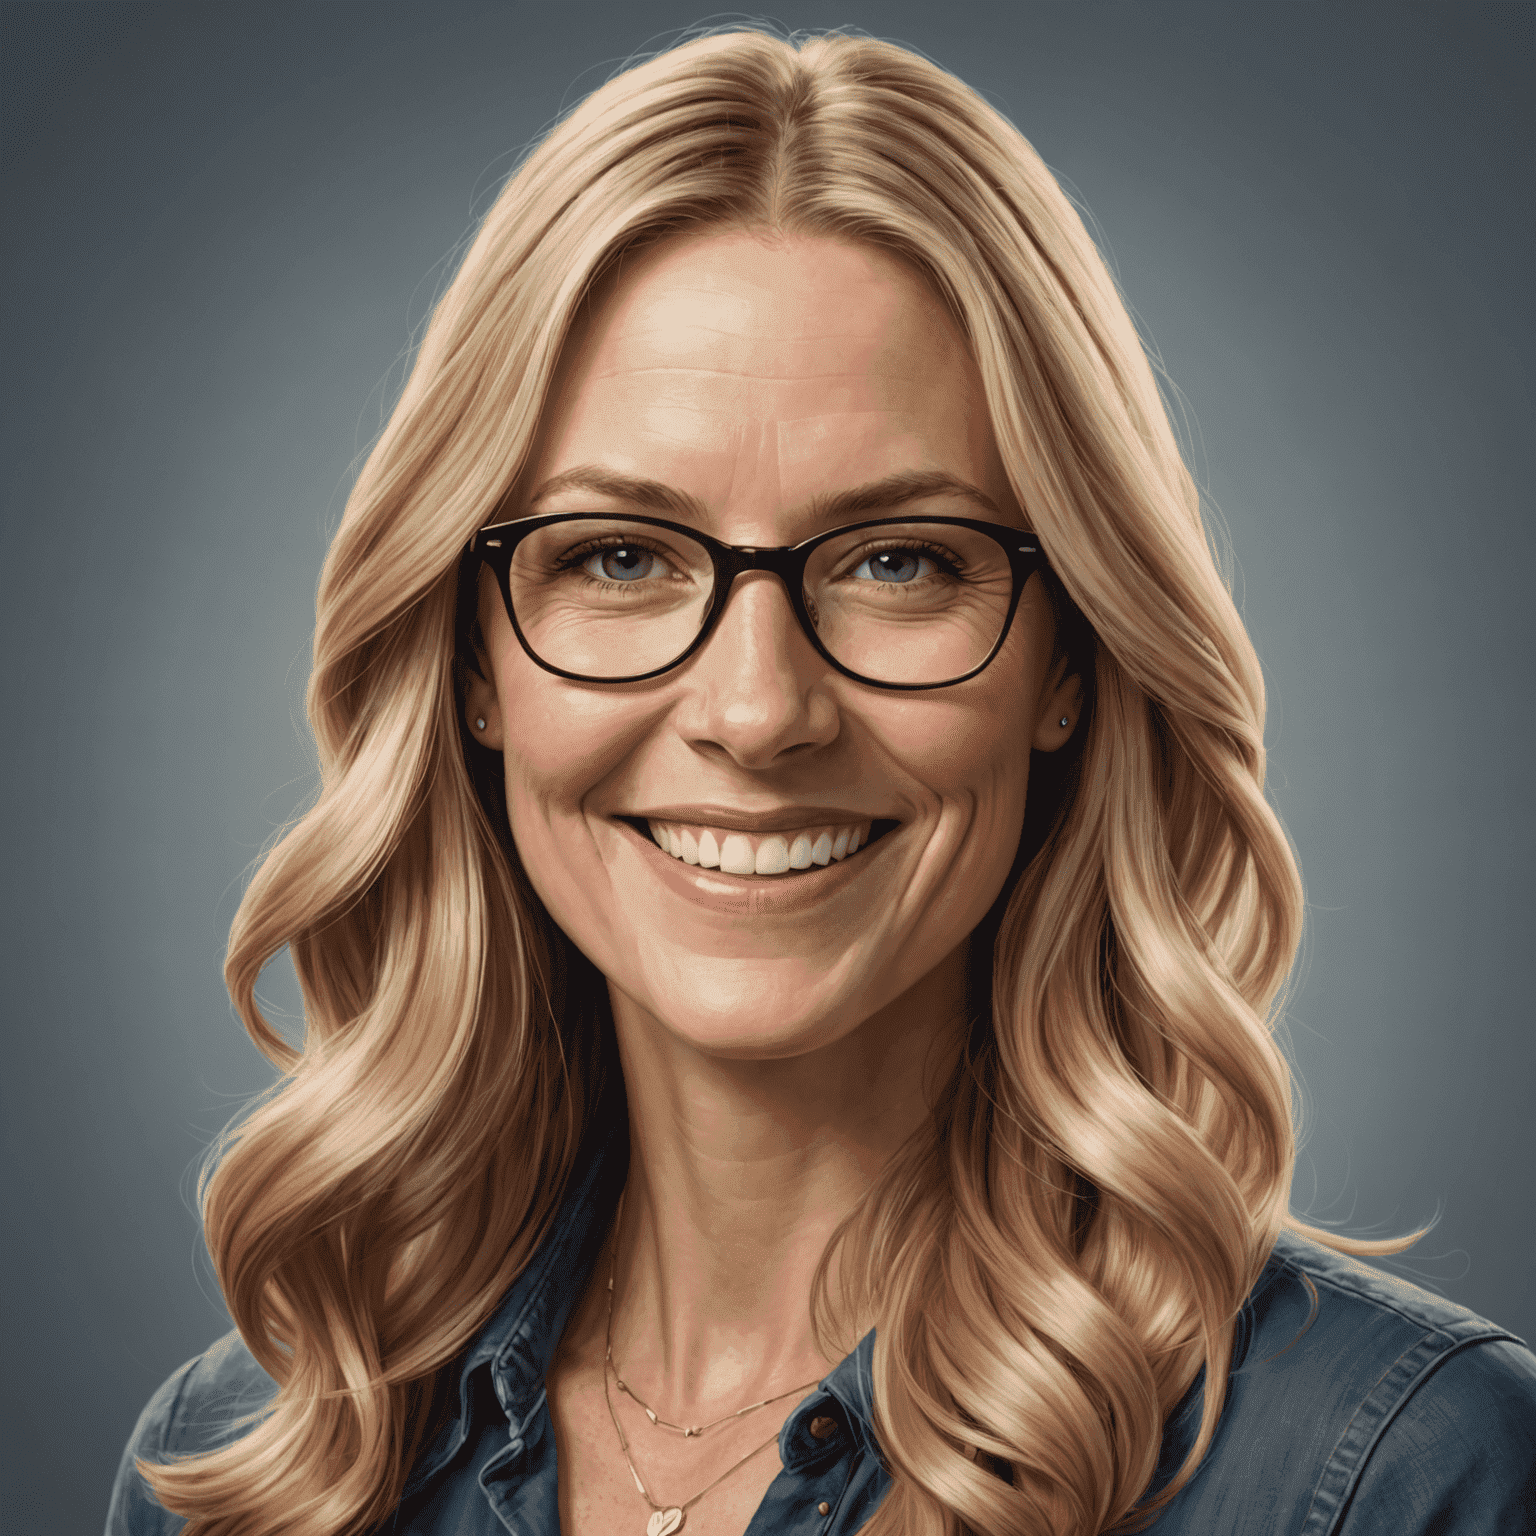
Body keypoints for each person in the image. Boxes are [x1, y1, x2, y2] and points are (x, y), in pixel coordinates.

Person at [106, 27, 1534, 1536]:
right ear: (472, 664)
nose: (756, 707)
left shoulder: (1399, 1477)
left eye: (899, 560)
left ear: (1071, 661)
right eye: (619, 557)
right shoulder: (245, 1471)